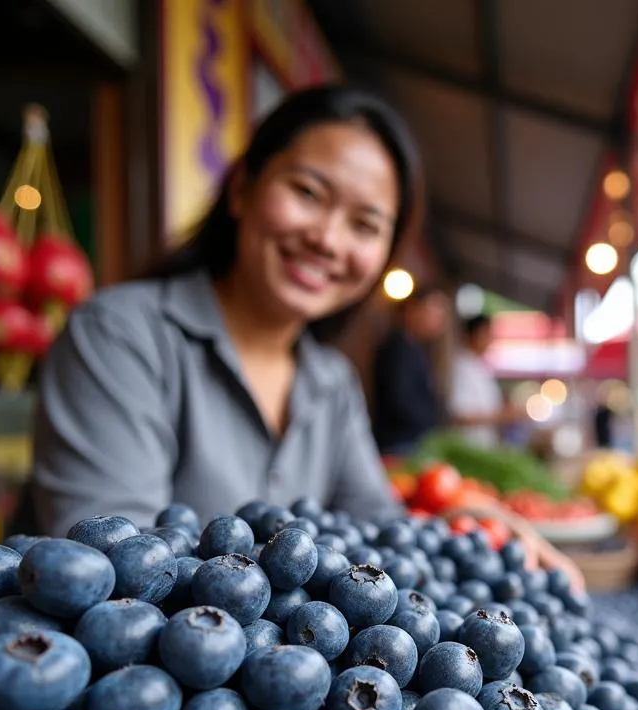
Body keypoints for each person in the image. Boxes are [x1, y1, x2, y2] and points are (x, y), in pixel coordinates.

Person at [28, 85, 582, 583]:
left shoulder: (330, 381)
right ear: (243, 188)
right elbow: (113, 568)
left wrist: (472, 529)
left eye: (364, 225)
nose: (328, 239)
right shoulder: (120, 336)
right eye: (308, 193)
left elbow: (377, 528)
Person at [371, 285, 448, 455]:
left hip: (412, 442)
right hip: (398, 444)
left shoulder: (416, 349)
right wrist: (434, 421)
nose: (439, 322)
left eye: (442, 316)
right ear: (412, 310)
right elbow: (401, 401)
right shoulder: (398, 349)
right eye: (434, 313)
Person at [447, 314, 518, 447]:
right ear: (470, 335)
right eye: (485, 334)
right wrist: (501, 415)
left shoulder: (478, 366)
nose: (489, 340)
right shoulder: (461, 367)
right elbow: (460, 414)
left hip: (483, 445)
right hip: (468, 446)